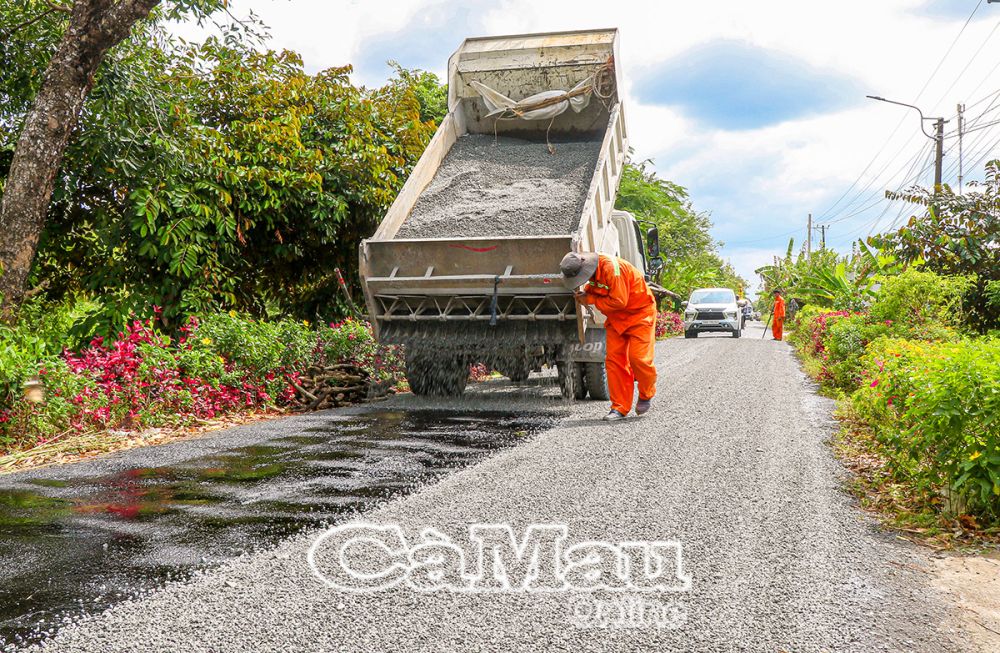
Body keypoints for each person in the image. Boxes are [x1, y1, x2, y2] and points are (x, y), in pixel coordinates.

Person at [559, 251, 658, 421]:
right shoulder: (594, 272)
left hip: (640, 315)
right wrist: (586, 295)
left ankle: (646, 393)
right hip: (615, 320)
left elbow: (620, 302)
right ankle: (619, 407)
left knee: (639, 359)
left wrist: (590, 299)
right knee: (614, 362)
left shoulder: (612, 269)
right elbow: (598, 290)